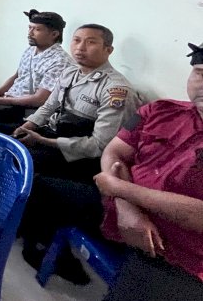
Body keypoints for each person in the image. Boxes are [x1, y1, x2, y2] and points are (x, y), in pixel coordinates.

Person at [93, 42, 203, 300]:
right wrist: (126, 206)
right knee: (43, 191)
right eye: (200, 72)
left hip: (176, 252)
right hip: (116, 210)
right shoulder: (158, 110)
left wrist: (120, 189)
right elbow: (115, 152)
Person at [13, 24, 142, 182]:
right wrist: (29, 125)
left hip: (80, 156)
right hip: (55, 133)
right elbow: (48, 106)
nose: (80, 48)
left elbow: (100, 145)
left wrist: (44, 141)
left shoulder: (115, 90)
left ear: (108, 50)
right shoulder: (70, 72)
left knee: (18, 162)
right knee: (0, 136)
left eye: (90, 42)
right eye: (76, 40)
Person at [0, 9, 72, 152]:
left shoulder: (59, 61)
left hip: (25, 108)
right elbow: (16, 76)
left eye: (36, 29)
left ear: (54, 34)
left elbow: (39, 100)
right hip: (10, 97)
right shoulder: (31, 50)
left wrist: (0, 100)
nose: (30, 33)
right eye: (29, 28)